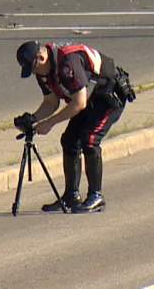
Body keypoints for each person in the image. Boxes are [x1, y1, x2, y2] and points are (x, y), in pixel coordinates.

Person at [15, 40, 127, 213]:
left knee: (89, 139)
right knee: (69, 140)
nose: (35, 72)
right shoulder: (43, 70)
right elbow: (51, 102)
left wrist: (49, 123)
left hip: (107, 97)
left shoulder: (68, 62)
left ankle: (96, 196)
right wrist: (33, 119)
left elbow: (79, 103)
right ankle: (71, 196)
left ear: (41, 57)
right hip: (87, 99)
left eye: (34, 67)